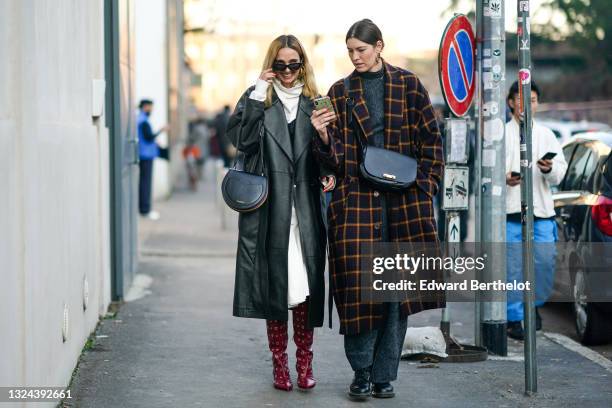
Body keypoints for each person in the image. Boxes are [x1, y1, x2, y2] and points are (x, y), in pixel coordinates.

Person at [311, 19, 445, 400]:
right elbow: (332, 159)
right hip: (357, 207)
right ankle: (361, 372)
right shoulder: (340, 92)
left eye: (362, 50)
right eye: (350, 51)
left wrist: (426, 188)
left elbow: (431, 142)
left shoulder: (408, 85)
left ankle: (385, 374)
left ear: (379, 47)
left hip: (403, 207)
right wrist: (323, 135)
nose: (355, 57)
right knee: (358, 292)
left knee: (395, 296)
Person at [226, 34, 333, 392]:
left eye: (294, 64)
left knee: (304, 290)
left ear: (303, 64)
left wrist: (326, 147)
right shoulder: (258, 97)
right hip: (270, 213)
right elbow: (241, 140)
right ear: (272, 65)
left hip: (304, 213)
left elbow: (331, 156)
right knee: (276, 289)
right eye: (281, 64)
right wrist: (258, 90)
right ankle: (279, 366)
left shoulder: (317, 102)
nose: (288, 72)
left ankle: (304, 362)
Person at [504, 80, 567, 340]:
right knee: (513, 269)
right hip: (510, 212)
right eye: (521, 99)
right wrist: (505, 177)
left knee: (543, 264)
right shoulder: (501, 134)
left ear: (537, 103)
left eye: (531, 99)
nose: (526, 104)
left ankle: (535, 307)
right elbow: (486, 175)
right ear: (511, 102)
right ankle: (515, 317)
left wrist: (548, 169)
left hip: (541, 212)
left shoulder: (546, 134)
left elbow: (560, 173)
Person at [137, 99, 167, 220]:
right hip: (146, 155)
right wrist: (161, 130)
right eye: (150, 107)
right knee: (146, 183)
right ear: (145, 107)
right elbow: (148, 137)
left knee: (144, 183)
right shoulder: (143, 121)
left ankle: (144, 209)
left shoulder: (140, 119)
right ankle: (145, 210)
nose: (151, 110)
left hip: (143, 154)